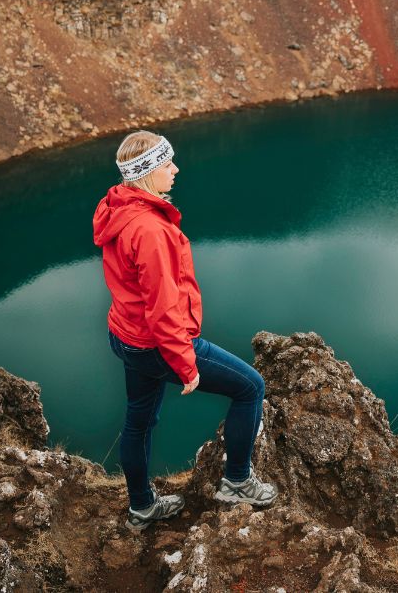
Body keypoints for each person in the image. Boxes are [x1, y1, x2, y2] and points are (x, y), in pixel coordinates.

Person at [93, 130, 277, 532]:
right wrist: (185, 363)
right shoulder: (150, 230)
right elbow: (162, 308)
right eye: (166, 164)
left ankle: (141, 506)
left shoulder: (118, 207)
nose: (175, 170)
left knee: (138, 421)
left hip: (127, 336)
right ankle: (237, 482)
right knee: (250, 388)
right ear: (145, 174)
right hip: (159, 342)